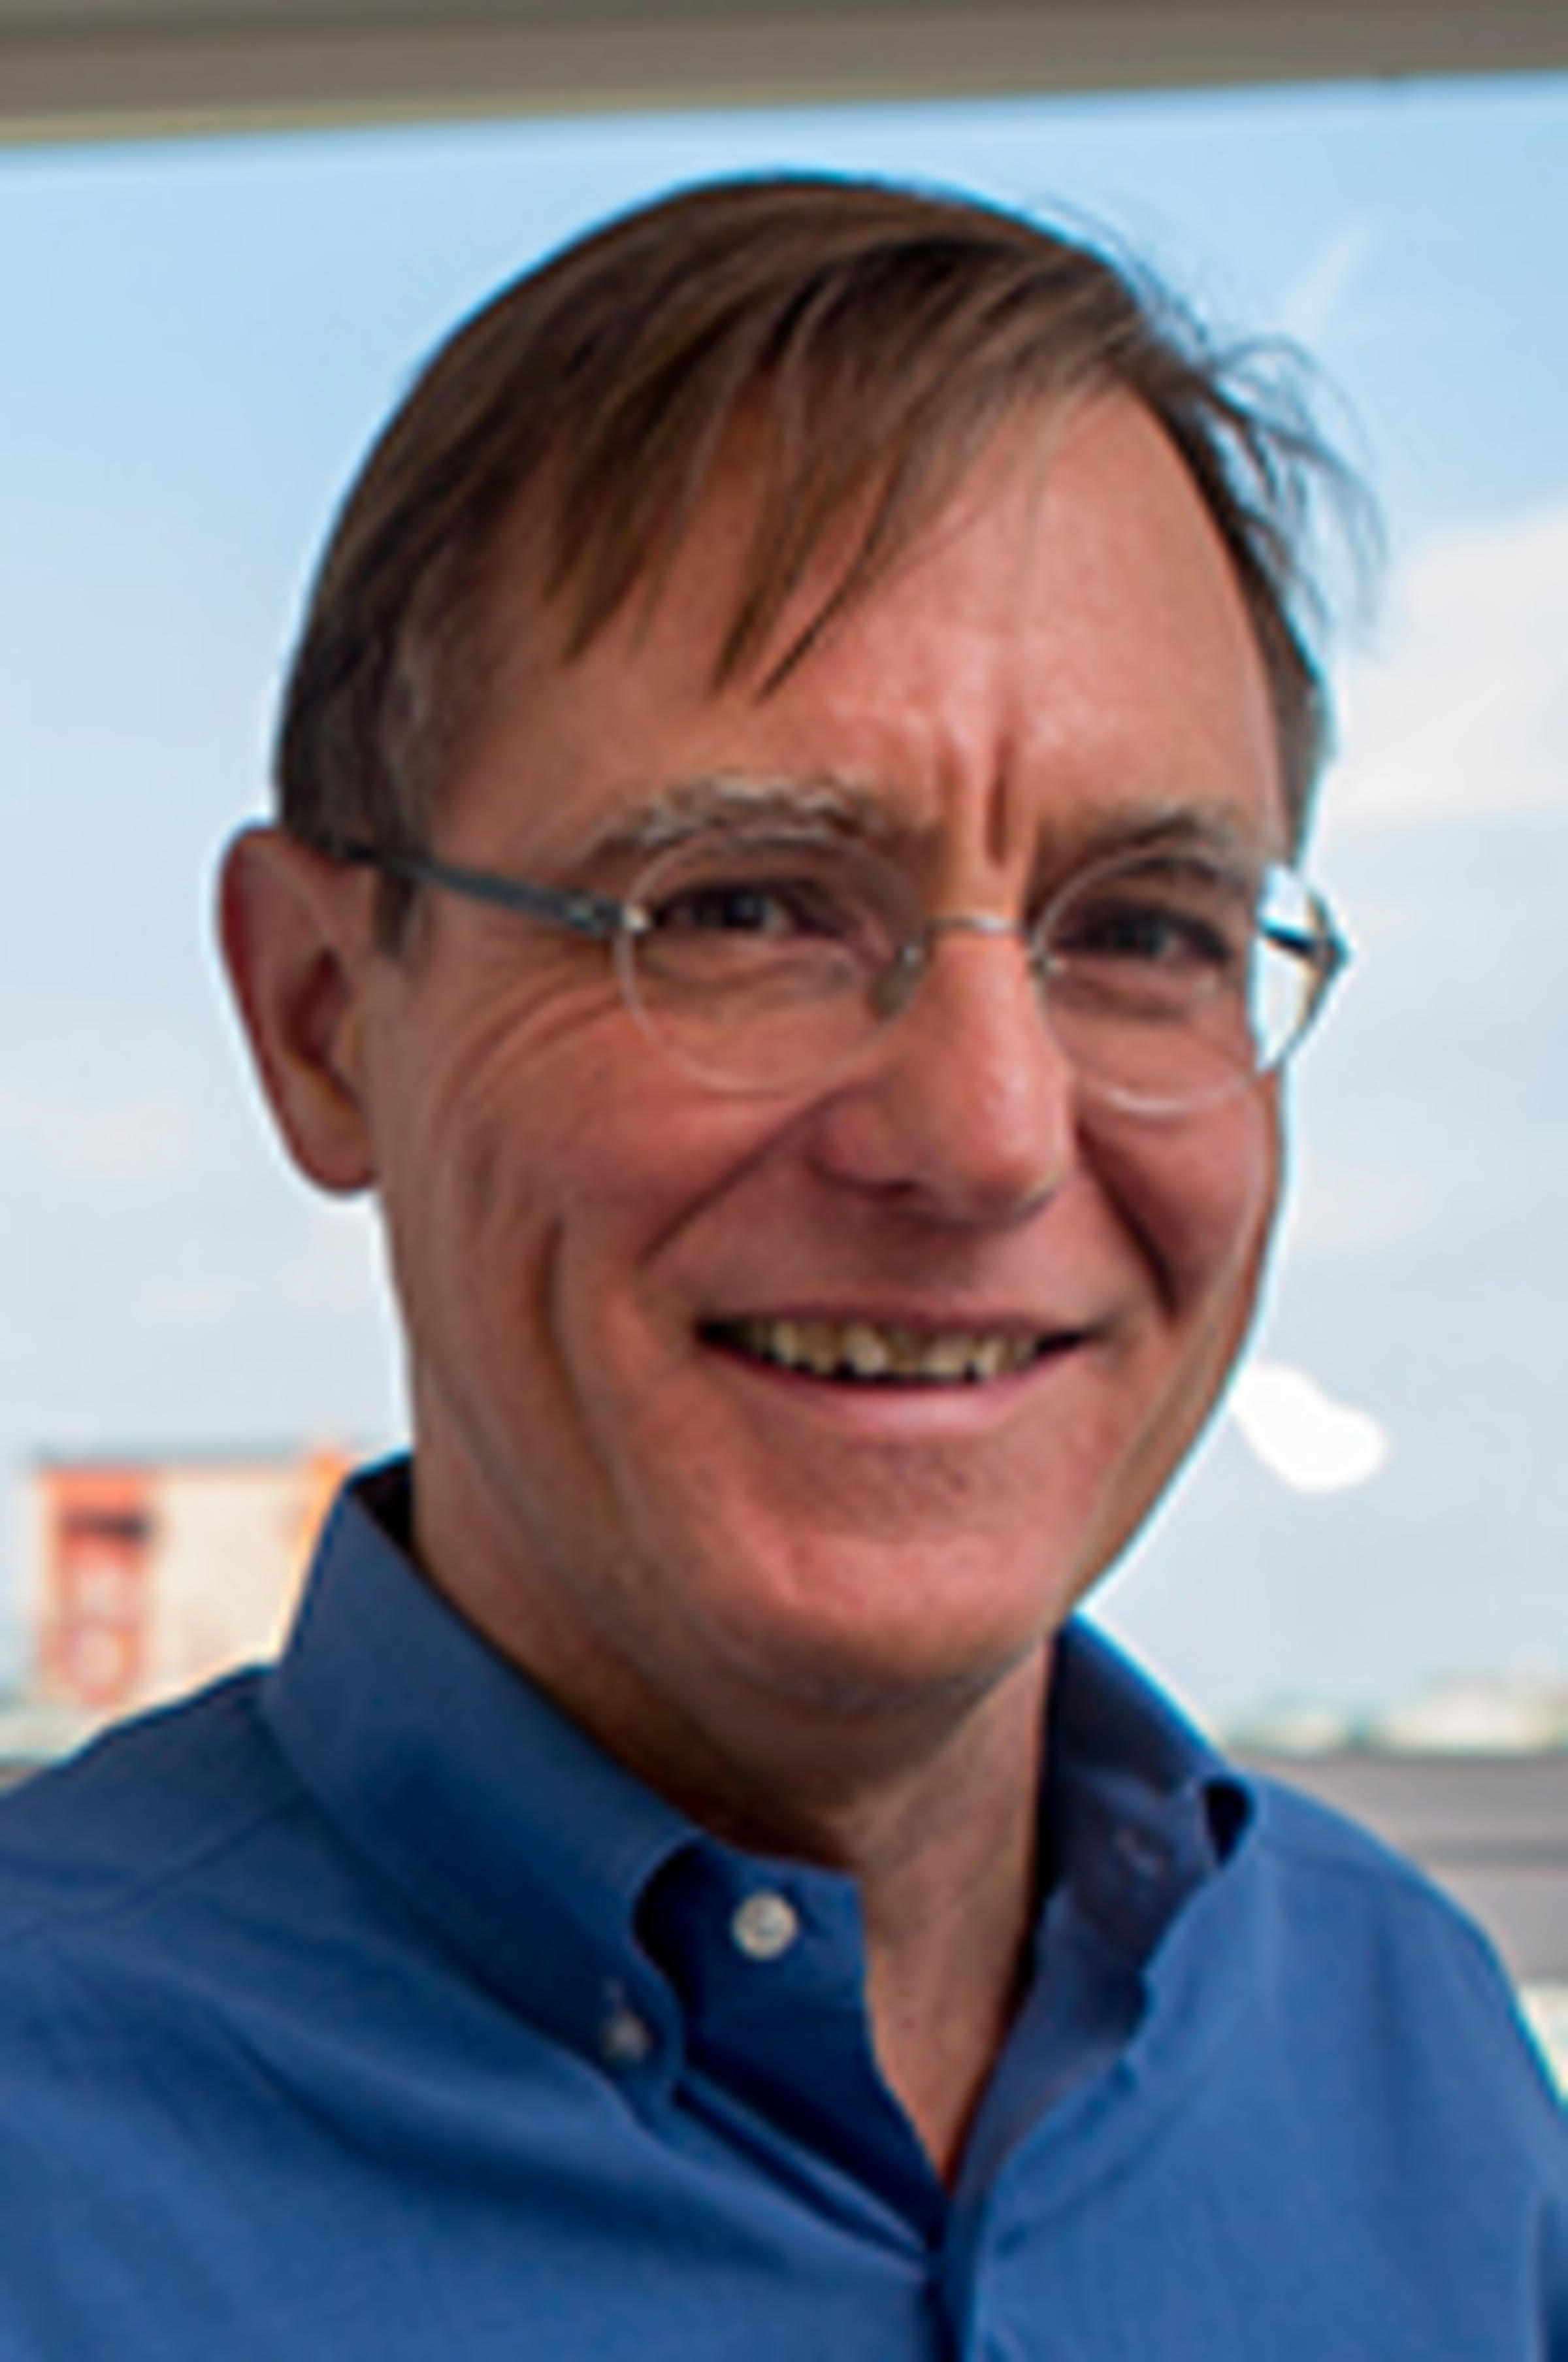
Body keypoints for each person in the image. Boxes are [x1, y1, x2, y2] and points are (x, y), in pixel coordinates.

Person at [1, 174, 1562, 2359]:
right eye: (744, 908)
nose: (989, 1134)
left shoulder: (1418, 2077)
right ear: (325, 1019)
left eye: (1143, 931)